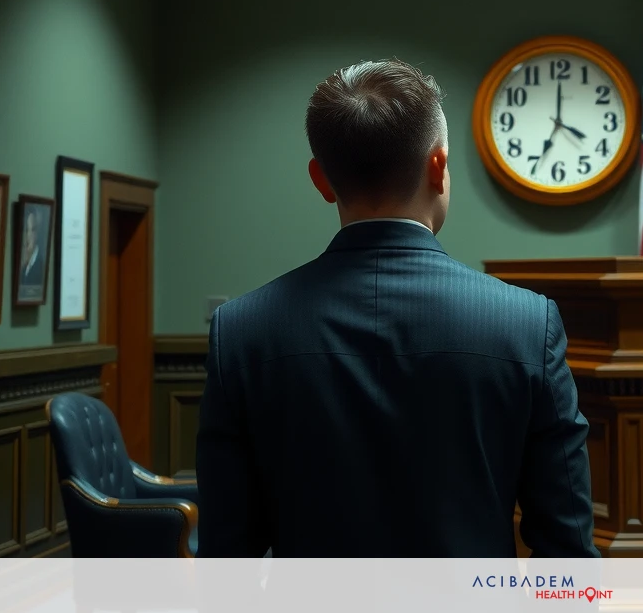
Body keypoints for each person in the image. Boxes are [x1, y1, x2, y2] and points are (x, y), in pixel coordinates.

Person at [195, 59, 597, 558]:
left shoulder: (240, 332)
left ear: (321, 180)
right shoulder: (526, 324)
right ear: (438, 166)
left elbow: (226, 555)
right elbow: (569, 551)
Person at [19, 207, 46, 287]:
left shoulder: (41, 266)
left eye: (32, 230)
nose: (28, 236)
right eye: (26, 230)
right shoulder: (23, 265)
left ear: (38, 232)